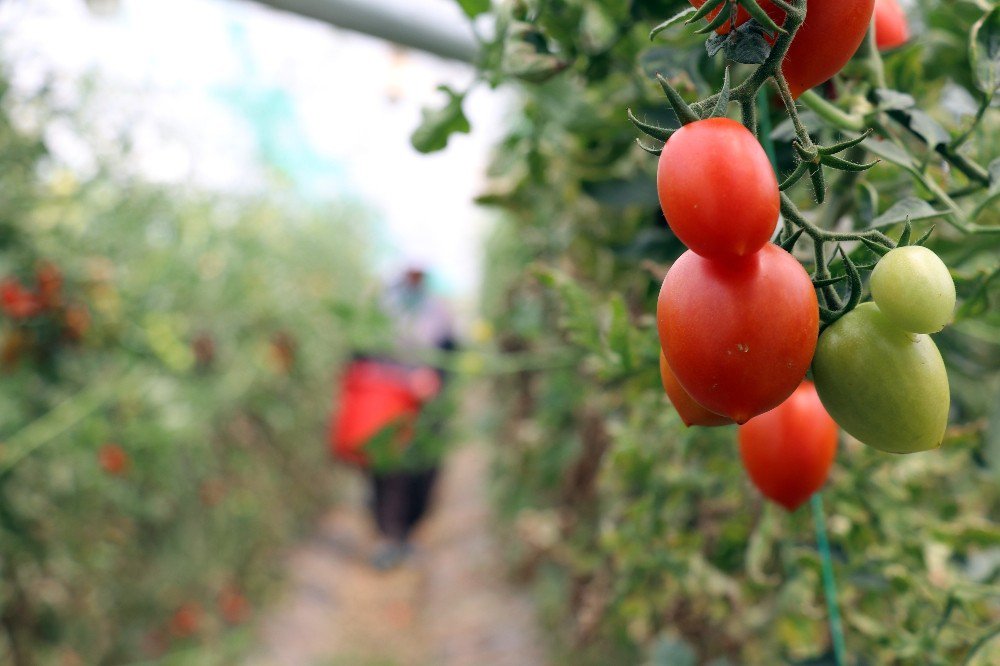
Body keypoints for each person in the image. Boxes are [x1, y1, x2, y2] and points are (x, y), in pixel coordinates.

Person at [366, 265, 457, 570]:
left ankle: (407, 533)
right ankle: (388, 536)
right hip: (387, 403)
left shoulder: (439, 310)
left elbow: (451, 354)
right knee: (387, 469)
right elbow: (362, 354)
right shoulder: (382, 308)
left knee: (423, 469)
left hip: (425, 407)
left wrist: (435, 379)